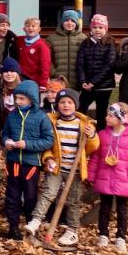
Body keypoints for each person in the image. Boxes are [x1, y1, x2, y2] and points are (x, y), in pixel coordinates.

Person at [24, 88, 100, 246]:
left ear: (76, 105)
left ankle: (72, 230)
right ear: (57, 104)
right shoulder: (52, 122)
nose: (66, 105)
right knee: (48, 194)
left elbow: (93, 147)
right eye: (62, 102)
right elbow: (47, 147)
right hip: (57, 168)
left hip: (76, 171)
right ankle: (36, 220)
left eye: (70, 102)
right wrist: (49, 159)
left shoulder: (84, 124)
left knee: (73, 201)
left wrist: (92, 136)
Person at [89, 103, 128, 253]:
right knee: (104, 207)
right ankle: (103, 235)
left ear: (121, 118)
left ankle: (121, 237)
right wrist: (92, 175)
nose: (106, 117)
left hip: (123, 180)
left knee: (122, 209)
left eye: (110, 115)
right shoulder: (102, 135)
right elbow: (96, 157)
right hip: (105, 177)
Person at [0, 80, 53, 241]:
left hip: (31, 164)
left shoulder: (41, 117)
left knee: (30, 197)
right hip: (13, 161)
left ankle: (31, 226)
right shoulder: (12, 115)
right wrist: (7, 141)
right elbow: (5, 133)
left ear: (32, 99)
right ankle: (13, 227)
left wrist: (27, 144)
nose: (18, 102)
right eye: (17, 98)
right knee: (12, 196)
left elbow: (48, 140)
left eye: (22, 99)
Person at [77, 14, 116, 128]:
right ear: (91, 28)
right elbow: (80, 63)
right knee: (81, 109)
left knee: (101, 113)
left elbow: (109, 65)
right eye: (95, 27)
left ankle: (101, 135)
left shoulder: (110, 43)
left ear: (105, 29)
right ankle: (79, 132)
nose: (97, 30)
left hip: (104, 86)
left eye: (100, 27)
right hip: (87, 86)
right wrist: (83, 81)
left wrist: (93, 82)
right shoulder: (86, 43)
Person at [46, 9, 86, 89]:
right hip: (58, 79)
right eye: (66, 20)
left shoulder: (83, 38)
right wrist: (53, 73)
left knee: (74, 101)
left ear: (76, 23)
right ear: (62, 22)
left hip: (77, 80)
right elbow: (47, 59)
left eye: (73, 21)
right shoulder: (51, 38)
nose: (69, 23)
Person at [15, 17, 50, 91]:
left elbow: (45, 66)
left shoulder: (42, 46)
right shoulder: (20, 40)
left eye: (33, 26)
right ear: (24, 29)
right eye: (28, 26)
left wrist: (43, 84)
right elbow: (9, 34)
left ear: (39, 29)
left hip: (34, 81)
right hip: (20, 79)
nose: (30, 28)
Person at [0, 57, 22, 129]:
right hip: (2, 128)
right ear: (2, 74)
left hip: (21, 128)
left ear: (17, 73)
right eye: (6, 71)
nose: (9, 74)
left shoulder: (25, 89)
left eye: (12, 71)